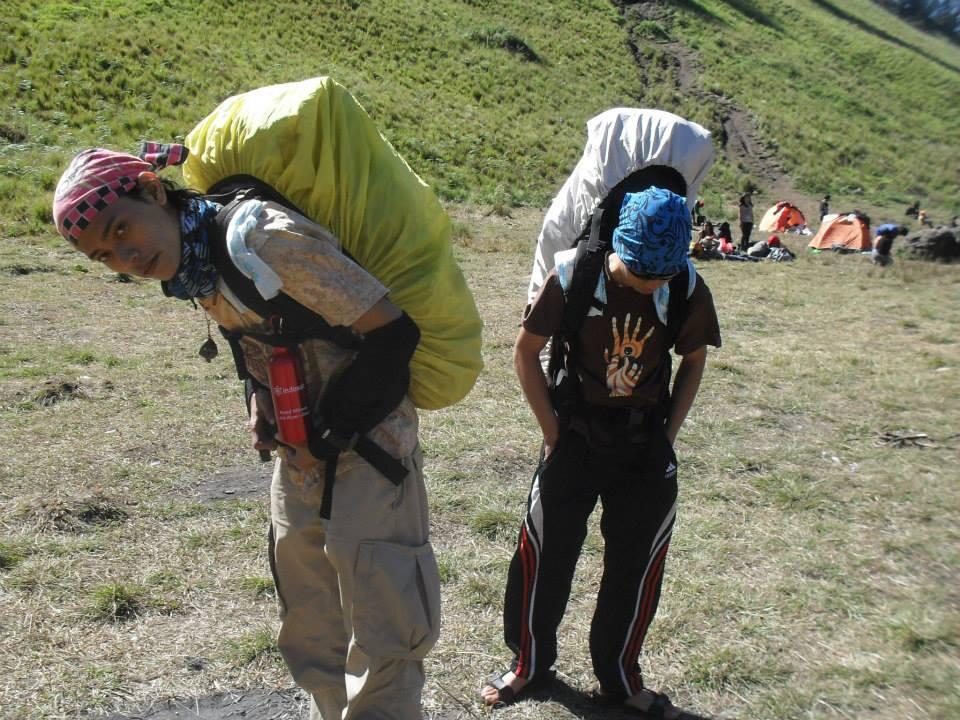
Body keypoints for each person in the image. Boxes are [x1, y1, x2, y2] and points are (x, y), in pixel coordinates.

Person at [52, 145, 441, 720]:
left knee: (384, 627)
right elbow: (257, 338)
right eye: (105, 254)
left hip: (372, 452)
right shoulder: (194, 265)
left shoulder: (262, 241)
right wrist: (259, 399)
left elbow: (391, 334)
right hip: (298, 457)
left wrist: (332, 433)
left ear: (155, 191)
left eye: (122, 228)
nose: (127, 256)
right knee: (312, 624)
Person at [481, 187, 721, 718]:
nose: (648, 284)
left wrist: (670, 435)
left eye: (658, 276)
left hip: (643, 447)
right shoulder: (574, 275)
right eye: (639, 273)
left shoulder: (682, 284)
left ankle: (618, 678)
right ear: (620, 246)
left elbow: (695, 358)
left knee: (635, 569)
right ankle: (530, 665)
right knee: (543, 555)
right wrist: (552, 432)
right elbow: (525, 352)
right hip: (576, 439)